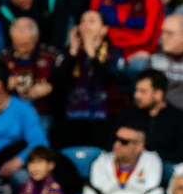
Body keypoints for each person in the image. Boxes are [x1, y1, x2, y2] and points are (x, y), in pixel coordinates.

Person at [51, 10, 129, 150]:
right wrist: (74, 52)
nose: (85, 25)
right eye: (82, 21)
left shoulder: (115, 52)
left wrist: (91, 53)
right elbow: (58, 84)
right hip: (73, 114)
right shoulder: (69, 52)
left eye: (92, 21)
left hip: (106, 114)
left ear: (104, 30)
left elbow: (109, 80)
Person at [79, 122, 164, 194]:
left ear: (139, 146)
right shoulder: (102, 162)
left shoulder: (151, 161)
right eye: (116, 139)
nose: (117, 144)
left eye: (124, 142)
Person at [117, 70, 183, 166]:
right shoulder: (127, 116)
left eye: (143, 91)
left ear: (159, 94)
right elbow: (112, 146)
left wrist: (153, 158)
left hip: (164, 166)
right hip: (130, 165)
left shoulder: (179, 118)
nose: (136, 95)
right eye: (136, 90)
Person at [0, 18, 63, 130]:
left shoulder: (52, 57)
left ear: (36, 38)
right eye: (17, 44)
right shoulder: (3, 59)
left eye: (25, 44)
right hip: (11, 115)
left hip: (42, 114)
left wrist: (51, 87)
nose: (21, 49)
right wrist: (3, 85)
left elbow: (66, 85)